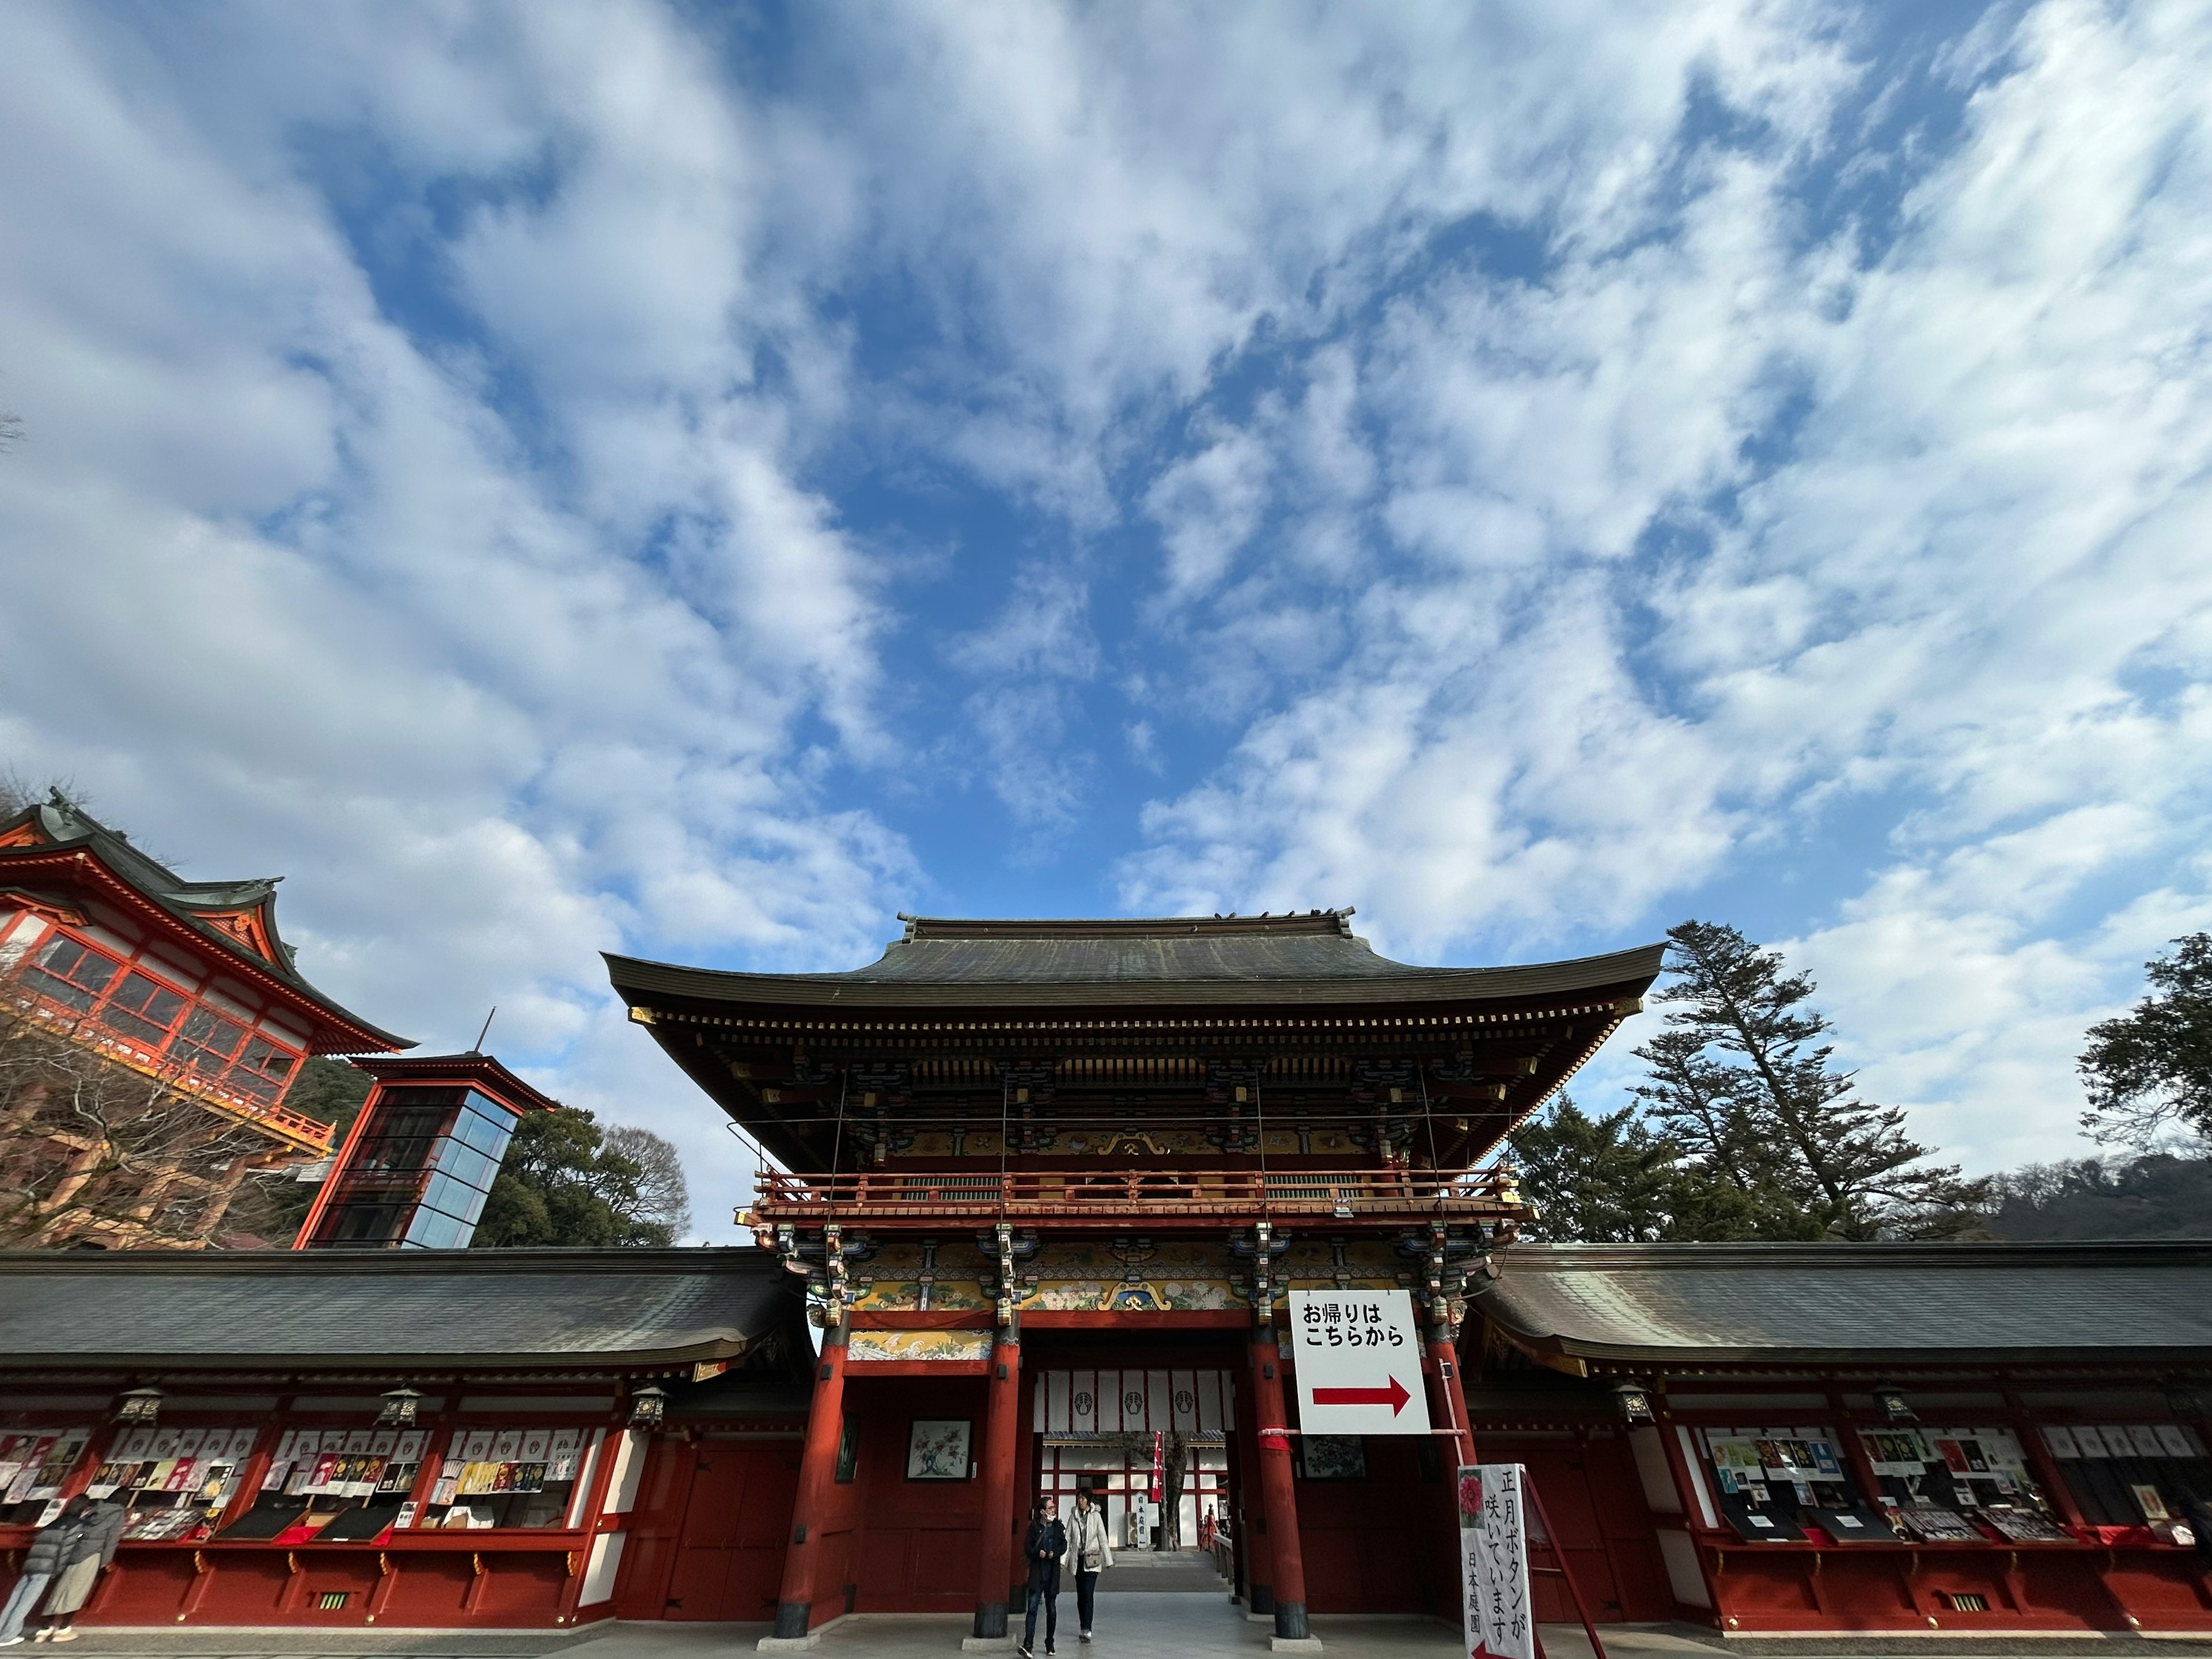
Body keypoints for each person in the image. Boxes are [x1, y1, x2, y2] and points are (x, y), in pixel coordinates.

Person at [0, 1495, 119, 1647]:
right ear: (84, 1509)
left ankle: (2, 1631)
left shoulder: (54, 1523)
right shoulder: (75, 1525)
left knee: (15, 1598)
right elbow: (65, 1550)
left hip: (32, 1564)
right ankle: (9, 1634)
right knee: (27, 1601)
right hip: (47, 1567)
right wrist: (59, 1569)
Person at [1060, 1488, 1114, 1645]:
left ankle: (1087, 1629)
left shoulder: (1096, 1517)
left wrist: (1108, 1560)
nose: (1081, 1501)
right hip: (1078, 1560)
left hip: (1092, 1561)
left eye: (1083, 1499)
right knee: (1081, 1597)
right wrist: (1063, 1561)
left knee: (1088, 1594)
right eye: (1079, 1498)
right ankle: (1082, 1625)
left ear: (1089, 1501)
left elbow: (1103, 1539)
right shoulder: (1073, 1517)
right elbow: (1068, 1539)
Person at [1018, 1495, 1067, 1658]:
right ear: (1042, 1512)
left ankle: (1050, 1642)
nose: (1053, 1510)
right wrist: (1037, 1553)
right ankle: (1028, 1644)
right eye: (1050, 1508)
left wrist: (1056, 1553)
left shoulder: (1058, 1526)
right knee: (1032, 1609)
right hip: (1038, 1574)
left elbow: (1064, 1545)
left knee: (1051, 1610)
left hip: (1052, 1574)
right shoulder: (1034, 1527)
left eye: (1054, 1507)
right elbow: (1027, 1547)